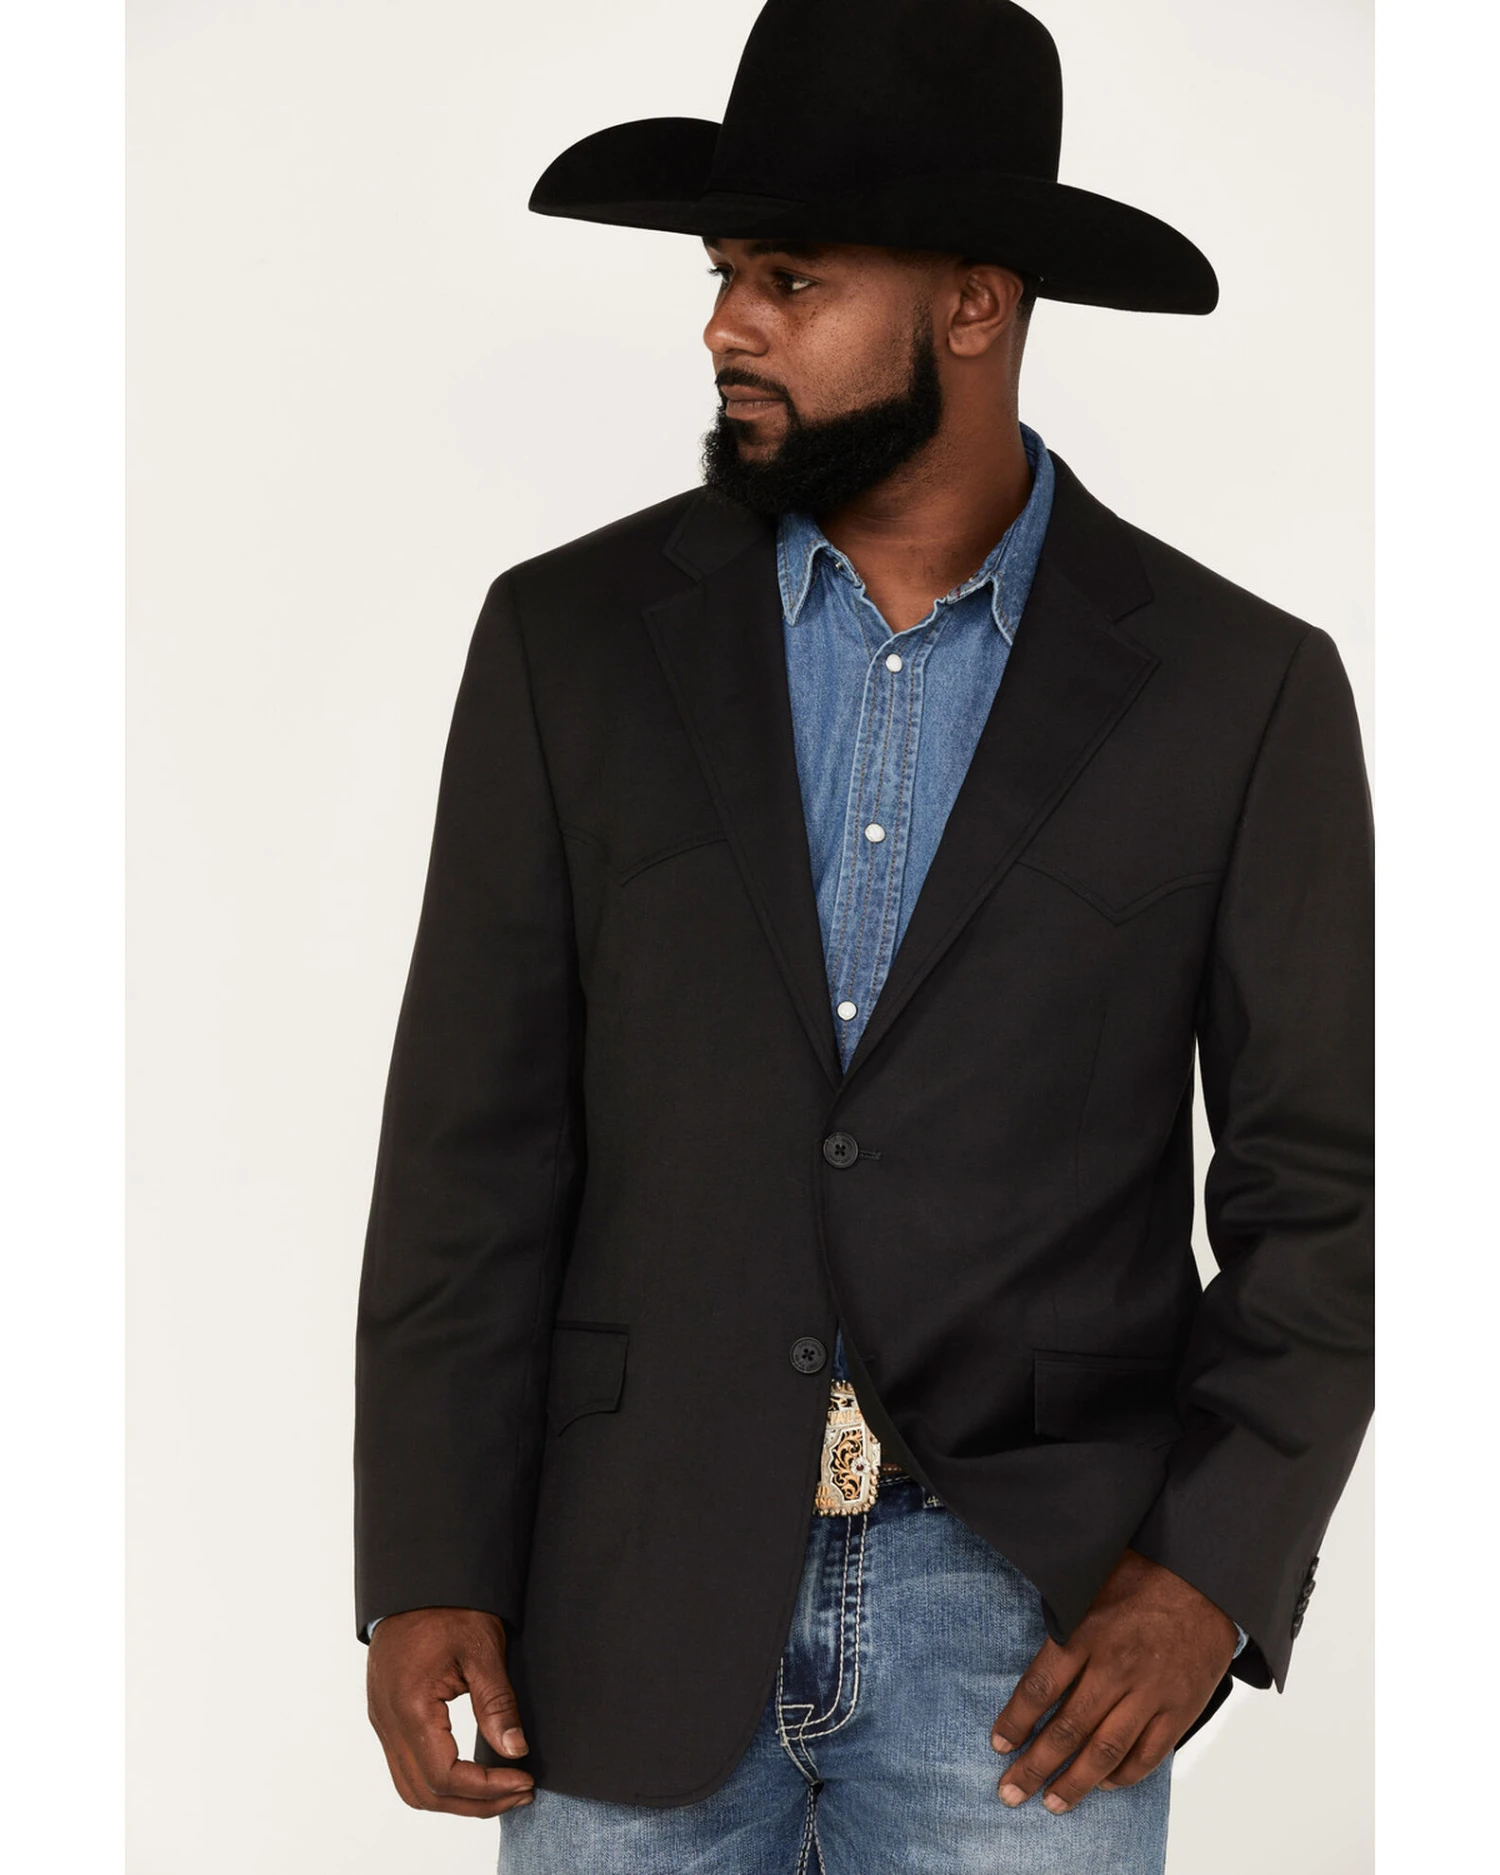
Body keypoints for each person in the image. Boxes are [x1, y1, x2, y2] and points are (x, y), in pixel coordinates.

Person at [353, 3, 1373, 1869]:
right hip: (629, 1592)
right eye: (727, 273)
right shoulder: (570, 646)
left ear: (975, 304)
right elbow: (469, 1151)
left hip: (1028, 1630)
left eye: (793, 279)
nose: (728, 324)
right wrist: (426, 1556)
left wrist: (1209, 1577)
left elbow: (1329, 1194)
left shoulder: (1238, 693)